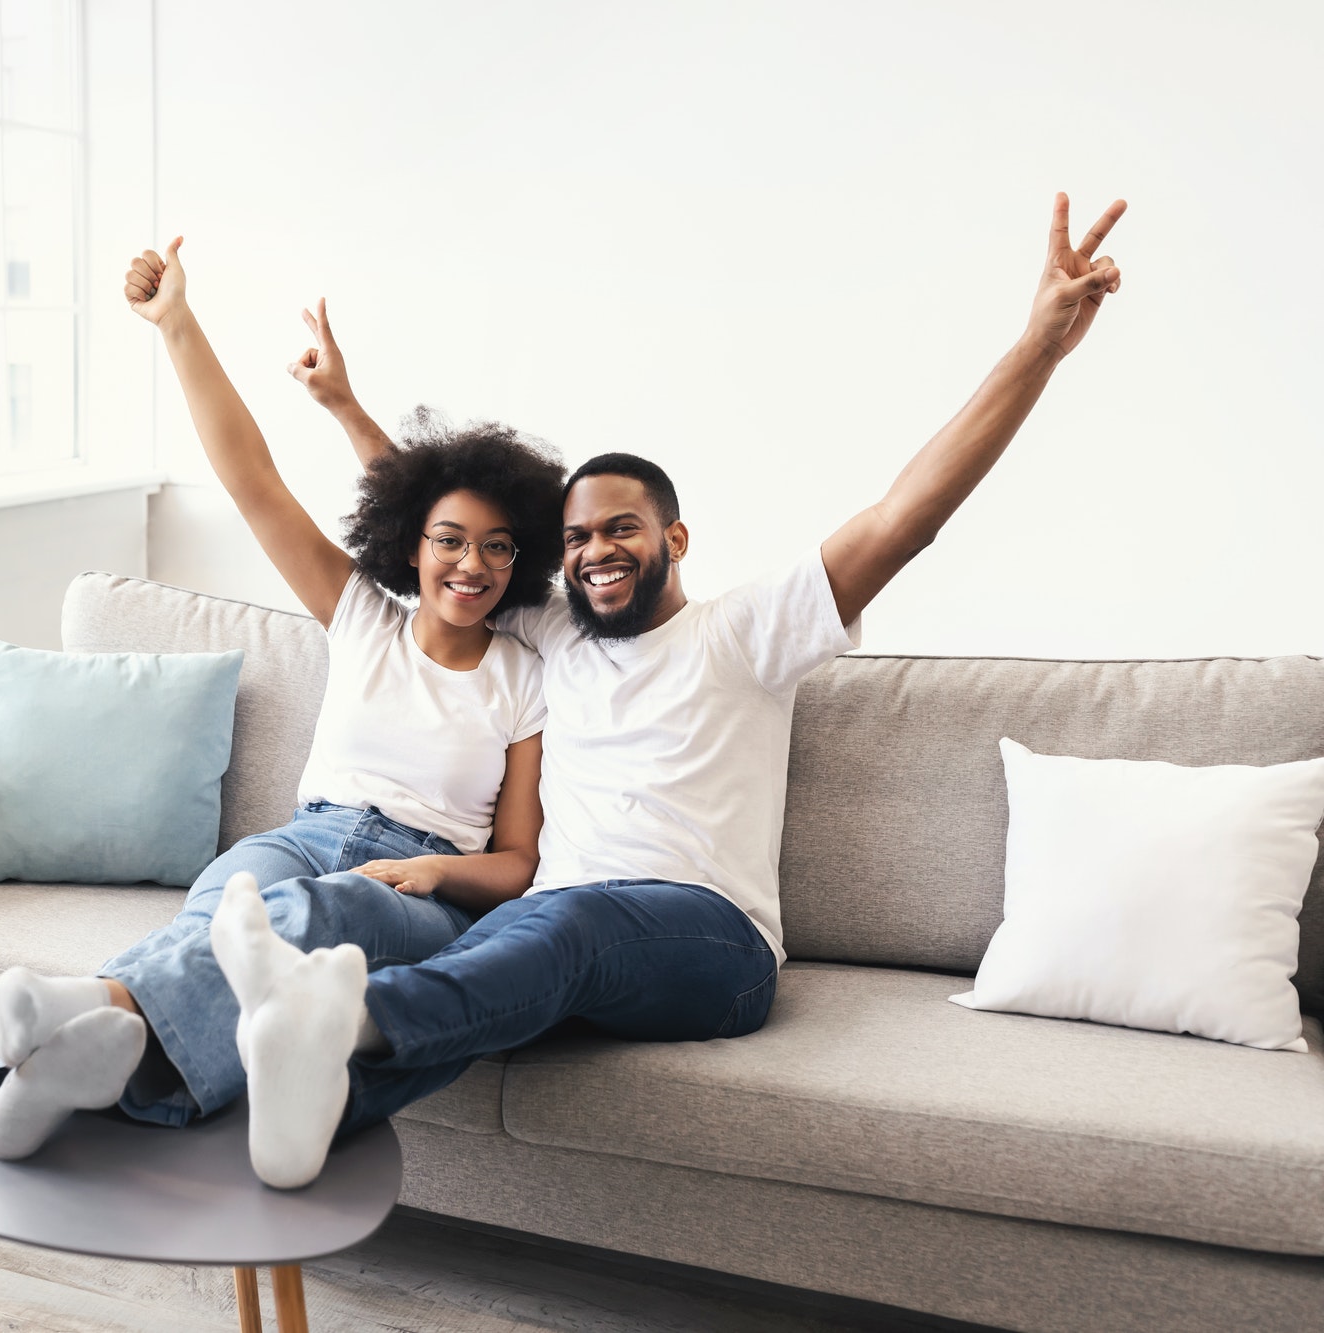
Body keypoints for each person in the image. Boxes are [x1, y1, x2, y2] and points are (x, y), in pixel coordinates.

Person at [204, 192, 1129, 1187]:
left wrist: (1036, 345)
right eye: (575, 538)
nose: (595, 550)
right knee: (519, 938)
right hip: (549, 929)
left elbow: (905, 515)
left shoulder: (743, 634)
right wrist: (348, 410)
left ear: (671, 539)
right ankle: (289, 1121)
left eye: (620, 528)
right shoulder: (550, 631)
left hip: (707, 945)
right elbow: (448, 533)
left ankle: (338, 1016)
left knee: (563, 923)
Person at [0, 238, 567, 1184]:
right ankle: (78, 1060)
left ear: (520, 559)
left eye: (498, 548)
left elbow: (518, 863)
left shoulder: (527, 675)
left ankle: (74, 1026)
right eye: (450, 540)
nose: (472, 565)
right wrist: (176, 323)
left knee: (317, 912)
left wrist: (433, 870)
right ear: (409, 545)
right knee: (227, 909)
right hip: (304, 832)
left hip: (424, 890)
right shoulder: (363, 618)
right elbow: (251, 477)